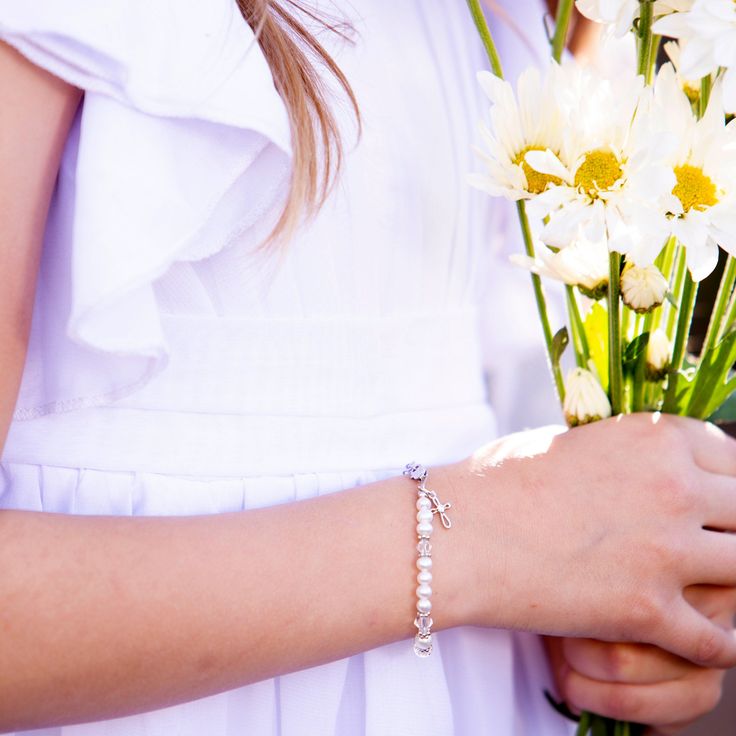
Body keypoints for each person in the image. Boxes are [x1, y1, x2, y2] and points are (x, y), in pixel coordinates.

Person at [0, 1, 735, 734]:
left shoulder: (506, 22)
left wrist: (608, 592)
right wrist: (490, 537)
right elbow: (510, 523)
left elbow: (497, 432)